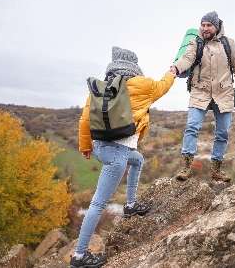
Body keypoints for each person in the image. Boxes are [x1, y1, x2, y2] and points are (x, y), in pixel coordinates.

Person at [70, 46, 176, 268]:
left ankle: (129, 205)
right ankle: (79, 258)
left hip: (100, 147)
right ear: (134, 64)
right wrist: (172, 72)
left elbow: (84, 120)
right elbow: (163, 86)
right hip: (117, 152)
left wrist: (85, 146)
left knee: (138, 160)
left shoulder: (100, 87)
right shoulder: (143, 84)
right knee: (97, 204)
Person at [169, 11, 235, 182]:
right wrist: (176, 68)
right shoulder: (195, 43)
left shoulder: (229, 44)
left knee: (222, 133)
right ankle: (187, 167)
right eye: (203, 25)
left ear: (216, 27)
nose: (205, 28)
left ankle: (216, 169)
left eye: (208, 25)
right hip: (200, 92)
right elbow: (187, 58)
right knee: (192, 127)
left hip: (224, 93)